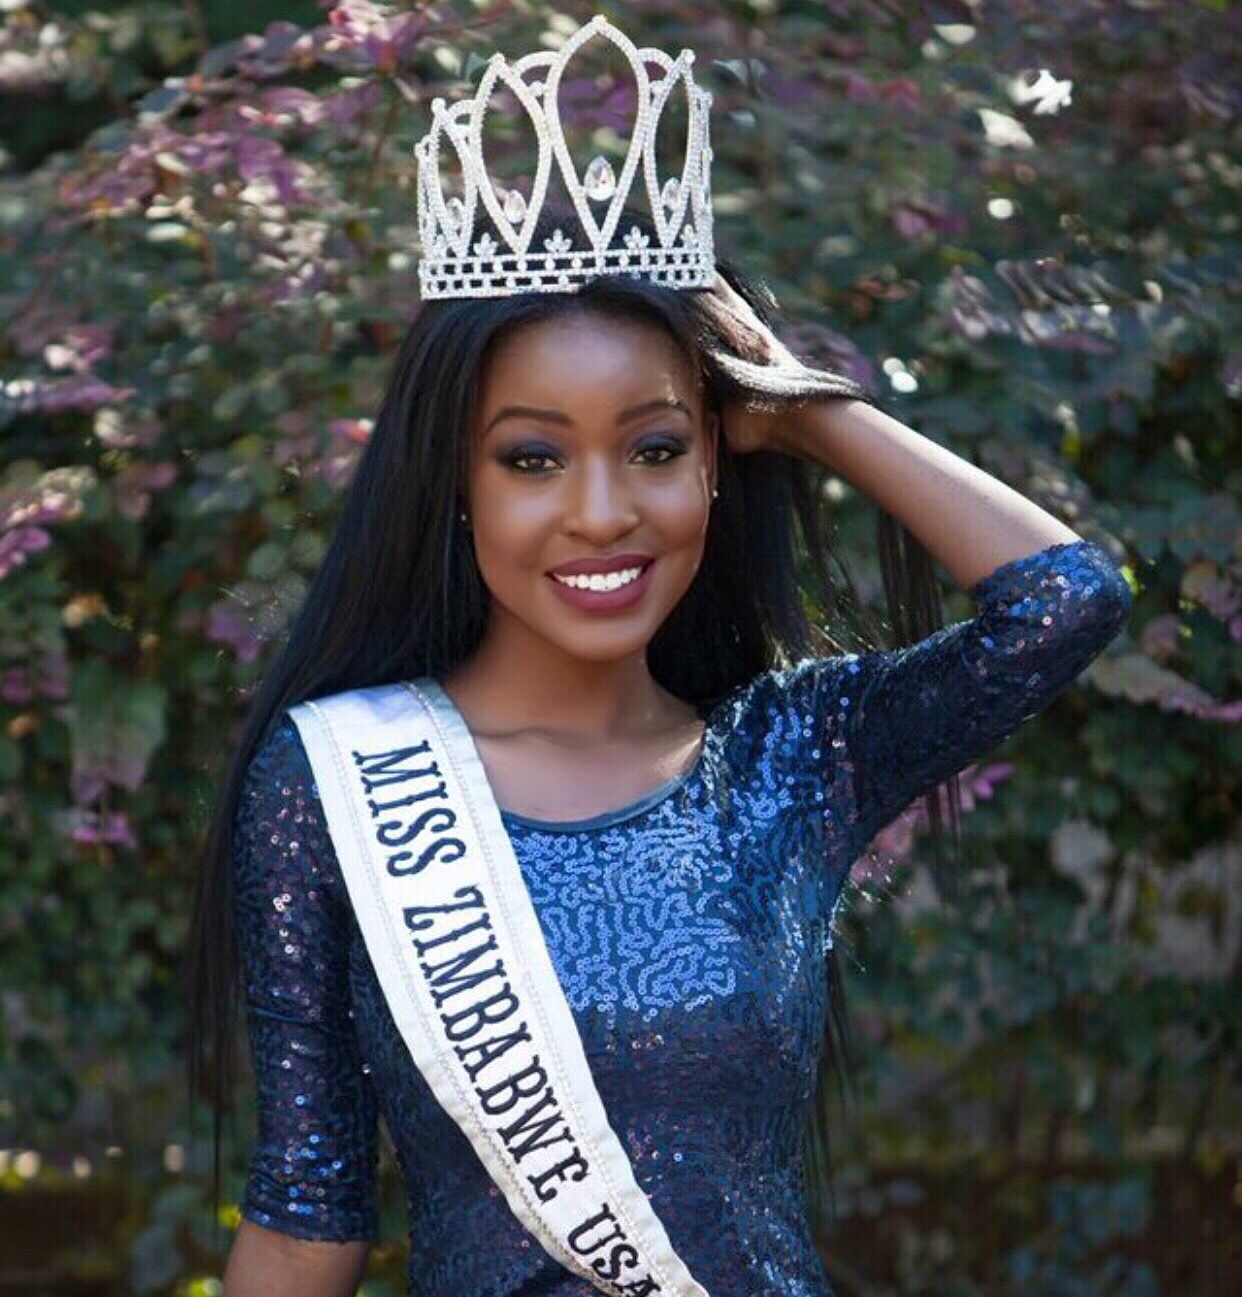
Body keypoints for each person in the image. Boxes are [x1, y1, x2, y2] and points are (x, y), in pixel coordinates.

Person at [185, 17, 1132, 1297]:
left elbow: (1065, 602)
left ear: (716, 461)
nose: (602, 512)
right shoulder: (337, 780)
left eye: (656, 448)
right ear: (454, 484)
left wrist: (809, 411)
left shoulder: (791, 758)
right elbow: (309, 1218)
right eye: (533, 457)